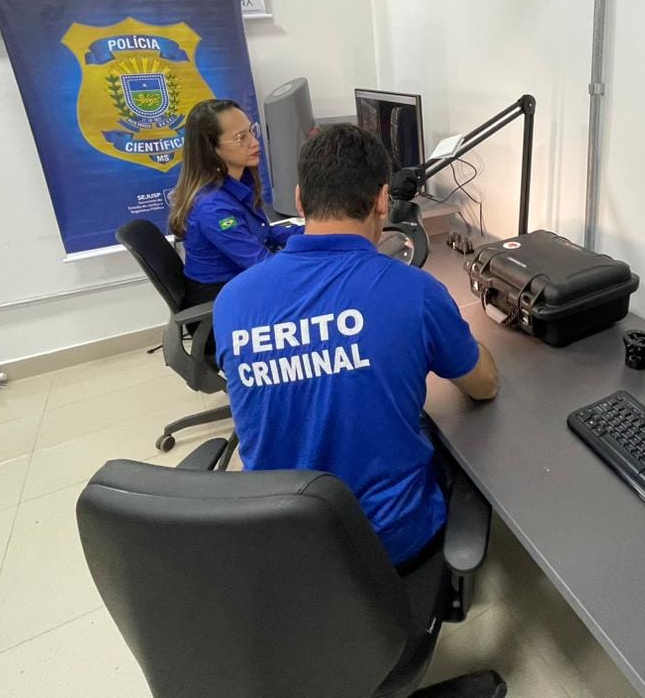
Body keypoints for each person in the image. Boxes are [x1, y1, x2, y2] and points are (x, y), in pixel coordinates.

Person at [213, 124, 498, 567]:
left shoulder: (233, 300)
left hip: (280, 540)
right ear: (383, 200)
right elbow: (484, 386)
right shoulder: (415, 292)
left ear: (300, 200)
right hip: (389, 545)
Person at [168, 98, 302, 307]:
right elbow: (261, 264)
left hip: (241, 282)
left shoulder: (240, 180)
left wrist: (315, 229)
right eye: (241, 137)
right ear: (211, 149)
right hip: (220, 300)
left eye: (251, 131)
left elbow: (264, 235)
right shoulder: (213, 208)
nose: (254, 142)